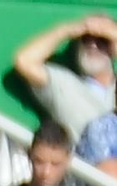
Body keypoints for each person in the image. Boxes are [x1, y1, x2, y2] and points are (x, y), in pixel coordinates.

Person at [14, 14, 117, 147]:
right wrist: (67, 30)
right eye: (86, 39)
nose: (93, 46)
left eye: (102, 40)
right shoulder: (63, 83)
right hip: (85, 165)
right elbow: (25, 61)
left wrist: (112, 31)